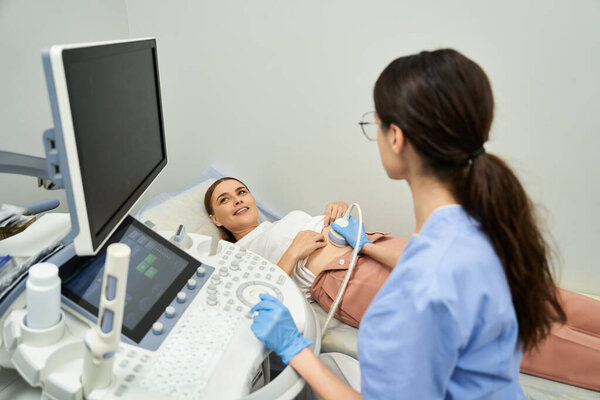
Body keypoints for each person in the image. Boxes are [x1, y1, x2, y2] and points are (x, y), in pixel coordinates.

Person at [248, 48, 566, 399]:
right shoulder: (484, 226)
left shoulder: (413, 296)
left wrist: (295, 349)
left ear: (396, 137)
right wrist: (366, 245)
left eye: (376, 124)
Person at [203, 178, 407, 302]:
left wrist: (339, 210)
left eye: (242, 192)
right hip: (344, 276)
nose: (238, 199)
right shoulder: (235, 257)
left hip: (371, 244)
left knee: (436, 261)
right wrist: (293, 253)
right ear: (215, 219)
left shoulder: (274, 226)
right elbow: (258, 299)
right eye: (225, 199)